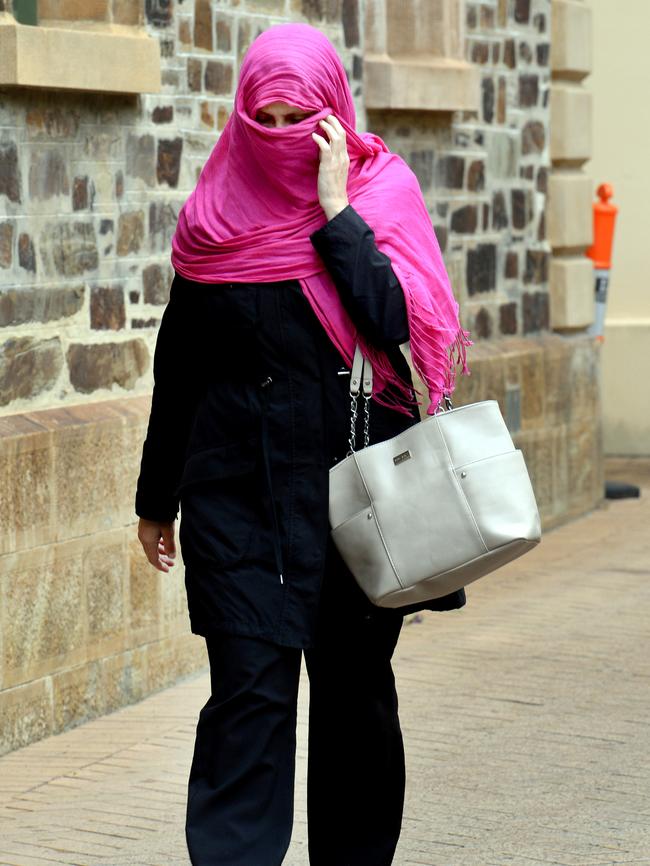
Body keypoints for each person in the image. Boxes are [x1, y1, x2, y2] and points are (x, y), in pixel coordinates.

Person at [135, 22, 471, 866]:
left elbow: (396, 326)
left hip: (355, 509)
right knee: (245, 702)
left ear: (332, 114)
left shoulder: (378, 195)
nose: (281, 136)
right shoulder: (212, 223)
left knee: (355, 706)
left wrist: (334, 212)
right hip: (238, 509)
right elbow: (180, 373)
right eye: (266, 118)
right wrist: (156, 499)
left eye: (300, 118)